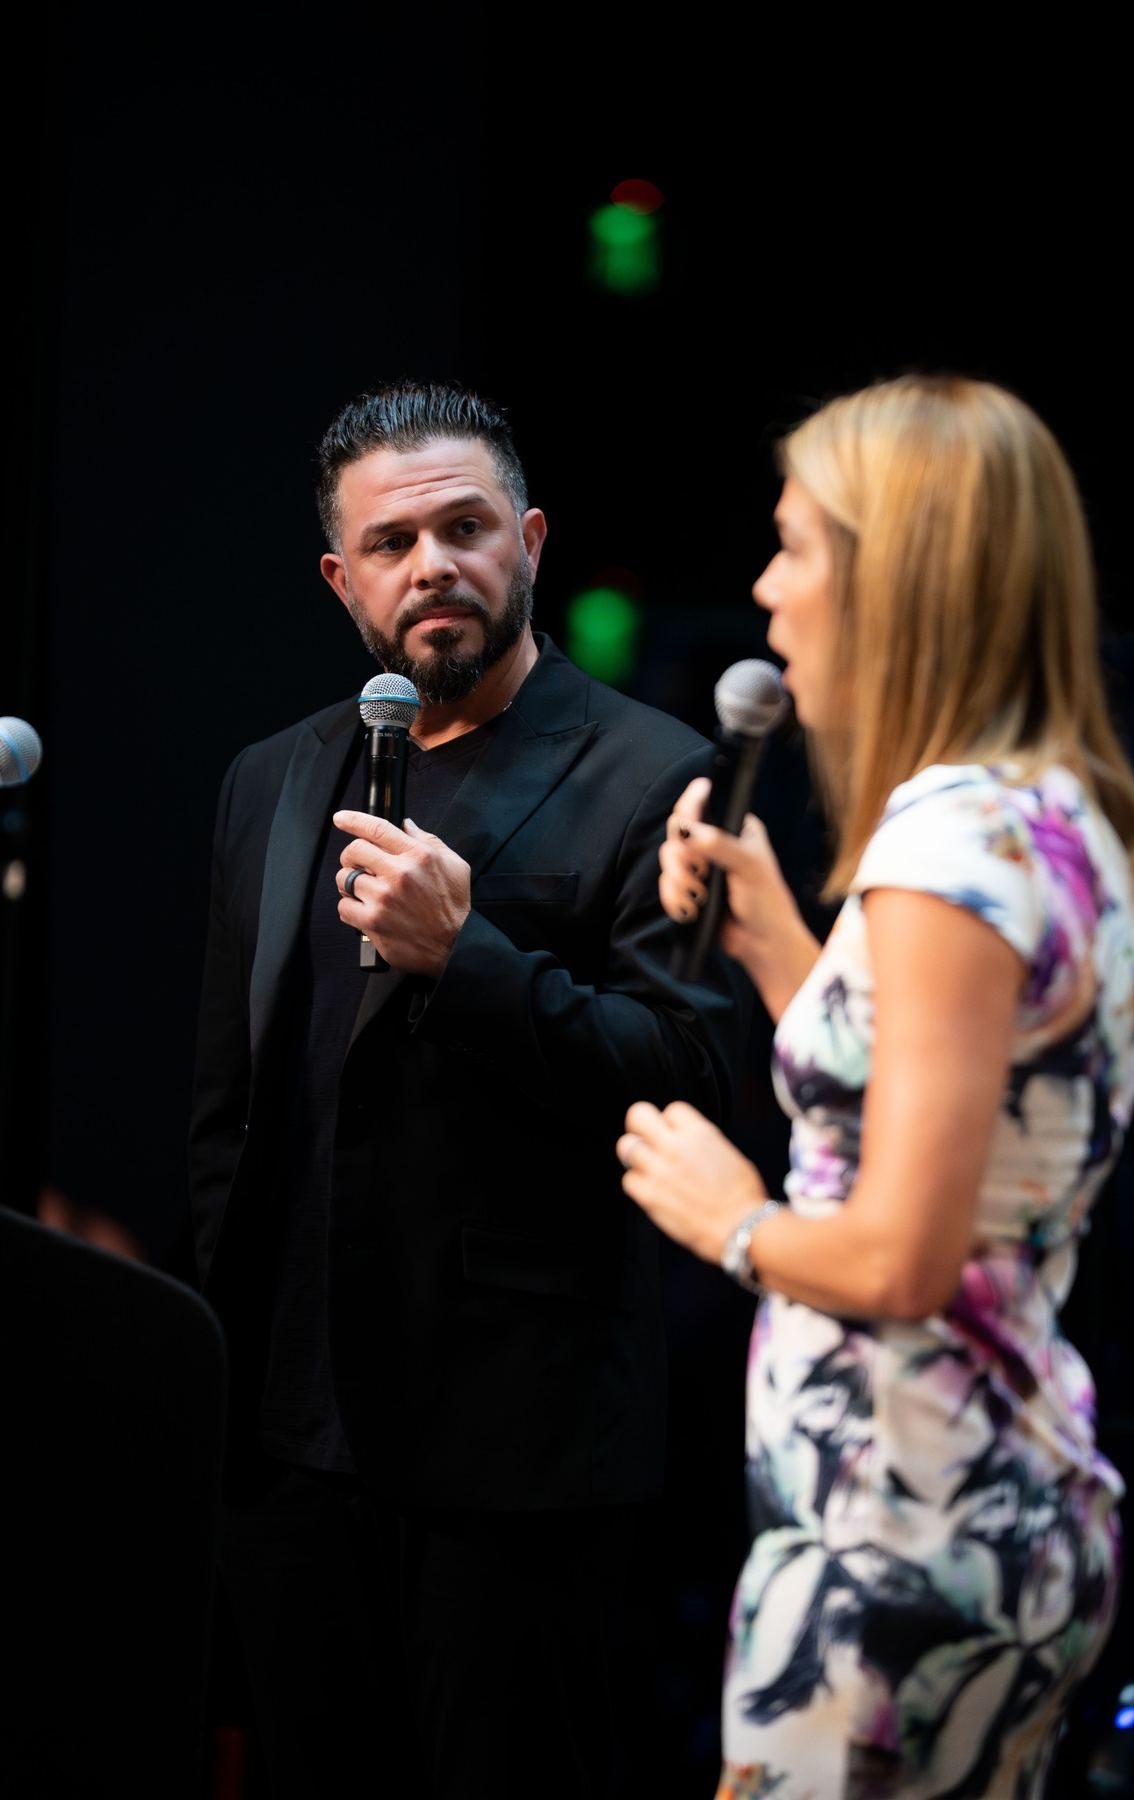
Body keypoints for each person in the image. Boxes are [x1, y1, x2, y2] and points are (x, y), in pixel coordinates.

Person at [616, 374, 1134, 1799]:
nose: (766, 589)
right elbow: (953, 1128)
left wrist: (727, 1218)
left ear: (896, 576)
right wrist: (779, 946)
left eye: (797, 547)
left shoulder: (945, 842)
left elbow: (903, 1253)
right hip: (1000, 1515)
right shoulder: (1076, 822)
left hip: (895, 1546)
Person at [188, 380, 746, 1799]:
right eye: (391, 544)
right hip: (291, 1446)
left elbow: (685, 1078)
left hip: (519, 1456)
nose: (432, 564)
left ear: (532, 542)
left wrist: (467, 958)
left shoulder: (654, 774)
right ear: (341, 579)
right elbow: (227, 1107)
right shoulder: (274, 775)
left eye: (465, 526)